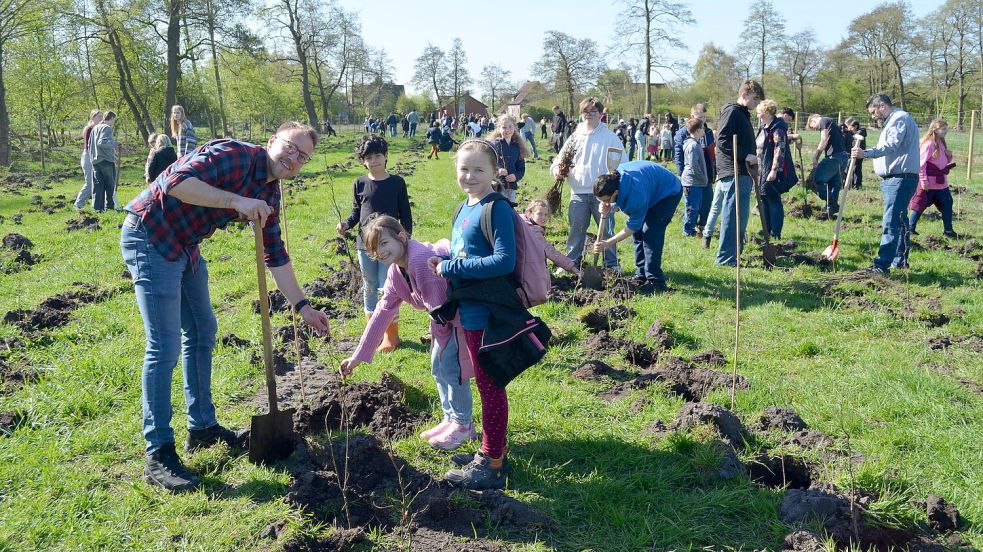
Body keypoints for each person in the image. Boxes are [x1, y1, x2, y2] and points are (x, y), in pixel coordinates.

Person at [120, 121, 330, 492]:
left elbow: (276, 255)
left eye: (303, 156)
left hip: (186, 245)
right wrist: (236, 201)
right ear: (271, 141)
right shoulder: (232, 156)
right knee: (164, 346)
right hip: (151, 234)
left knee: (203, 331)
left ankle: (202, 427)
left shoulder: (271, 193)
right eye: (290, 148)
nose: (293, 159)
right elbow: (175, 183)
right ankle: (159, 452)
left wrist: (303, 307)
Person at [339, 216, 476, 450]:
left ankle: (464, 425)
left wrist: (442, 345)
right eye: (374, 248)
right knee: (438, 366)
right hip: (443, 318)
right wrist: (358, 356)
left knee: (452, 368)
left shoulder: (421, 262)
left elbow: (443, 307)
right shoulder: (395, 271)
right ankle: (450, 418)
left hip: (458, 319)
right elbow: (383, 311)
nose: (380, 252)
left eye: (384, 244)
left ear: (401, 236)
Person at [431, 139, 518, 490]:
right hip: (467, 311)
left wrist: (455, 266)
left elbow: (504, 260)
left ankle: (492, 462)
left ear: (494, 172)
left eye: (479, 170)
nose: (470, 176)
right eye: (464, 169)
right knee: (484, 382)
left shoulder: (495, 207)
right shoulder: (463, 207)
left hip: (487, 313)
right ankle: (491, 447)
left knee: (489, 385)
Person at [337, 135, 412, 352]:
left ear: (386, 156)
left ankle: (391, 336)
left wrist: (405, 238)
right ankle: (373, 332)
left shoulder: (397, 183)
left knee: (387, 287)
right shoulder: (359, 183)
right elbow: (356, 212)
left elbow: (405, 214)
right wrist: (346, 224)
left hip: (390, 247)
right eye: (369, 157)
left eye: (378, 155)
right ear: (363, 160)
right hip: (365, 244)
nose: (374, 160)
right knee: (369, 285)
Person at [550, 97, 626, 272]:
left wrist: (613, 189)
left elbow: (623, 165)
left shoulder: (610, 138)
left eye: (594, 111)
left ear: (600, 114)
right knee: (576, 229)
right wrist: (558, 172)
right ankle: (571, 263)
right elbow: (558, 161)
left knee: (606, 230)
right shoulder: (575, 137)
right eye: (586, 111)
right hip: (578, 192)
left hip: (603, 195)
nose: (589, 115)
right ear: (581, 113)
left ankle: (611, 264)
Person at [851, 93, 920, 273]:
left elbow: (891, 146)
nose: (873, 116)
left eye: (874, 112)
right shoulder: (893, 120)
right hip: (897, 179)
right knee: (900, 220)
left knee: (891, 221)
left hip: (900, 178)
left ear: (882, 105)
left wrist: (865, 153)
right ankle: (900, 260)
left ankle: (882, 265)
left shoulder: (899, 119)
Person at [592, 160, 683, 293]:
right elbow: (622, 208)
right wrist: (608, 206)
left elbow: (633, 226)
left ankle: (655, 281)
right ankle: (641, 274)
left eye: (606, 200)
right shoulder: (609, 179)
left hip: (668, 192)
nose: (603, 202)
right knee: (638, 234)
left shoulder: (635, 194)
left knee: (651, 234)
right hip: (650, 187)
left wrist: (608, 242)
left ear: (616, 192)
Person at [713, 80, 763, 266]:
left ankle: (733, 255)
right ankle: (726, 259)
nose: (757, 103)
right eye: (755, 99)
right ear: (744, 94)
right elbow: (723, 141)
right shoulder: (732, 111)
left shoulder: (742, 113)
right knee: (734, 216)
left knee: (739, 216)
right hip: (734, 171)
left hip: (742, 171)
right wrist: (745, 156)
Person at [908, 118, 957, 238]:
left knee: (947, 204)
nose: (946, 131)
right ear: (935, 129)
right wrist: (923, 181)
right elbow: (921, 164)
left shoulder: (941, 142)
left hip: (941, 183)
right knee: (920, 205)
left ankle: (948, 231)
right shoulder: (929, 144)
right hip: (929, 183)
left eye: (946, 129)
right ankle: (910, 229)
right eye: (943, 129)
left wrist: (949, 156)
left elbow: (943, 161)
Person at [674, 103, 716, 242]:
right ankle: (689, 228)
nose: (703, 120)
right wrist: (681, 171)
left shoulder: (708, 132)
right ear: (692, 116)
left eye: (704, 117)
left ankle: (702, 225)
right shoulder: (683, 133)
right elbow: (679, 153)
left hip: (706, 171)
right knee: (693, 203)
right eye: (700, 117)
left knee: (707, 200)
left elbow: (712, 152)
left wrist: (713, 171)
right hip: (693, 173)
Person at [755, 99, 793, 239]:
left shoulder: (777, 129)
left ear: (767, 112)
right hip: (761, 168)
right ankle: (767, 228)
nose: (758, 116)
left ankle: (776, 232)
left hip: (771, 169)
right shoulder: (763, 127)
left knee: (773, 199)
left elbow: (779, 150)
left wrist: (774, 170)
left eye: (760, 113)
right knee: (763, 198)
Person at [522, 199, 581, 276]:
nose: (543, 217)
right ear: (530, 213)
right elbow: (551, 253)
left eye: (546, 214)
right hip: (527, 269)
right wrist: (574, 269)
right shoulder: (534, 231)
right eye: (539, 214)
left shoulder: (522, 221)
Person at [807, 113, 848, 218]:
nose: (817, 130)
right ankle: (830, 211)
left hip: (833, 157)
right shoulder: (831, 122)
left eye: (814, 128)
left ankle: (833, 204)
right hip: (843, 156)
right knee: (833, 184)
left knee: (813, 181)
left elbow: (824, 139)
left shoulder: (823, 121)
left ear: (813, 121)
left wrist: (816, 156)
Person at [488, 115, 530, 203]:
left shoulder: (517, 147)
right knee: (498, 208)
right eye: (504, 127)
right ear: (499, 128)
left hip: (511, 187)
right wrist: (498, 171)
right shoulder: (494, 145)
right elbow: (487, 164)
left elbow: (521, 168)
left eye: (510, 127)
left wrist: (515, 176)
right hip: (496, 186)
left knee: (510, 208)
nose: (507, 130)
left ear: (514, 128)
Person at [680, 118, 710, 237]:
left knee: (695, 206)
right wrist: (703, 177)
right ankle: (688, 231)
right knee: (692, 207)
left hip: (697, 182)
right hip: (692, 181)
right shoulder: (692, 145)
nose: (704, 130)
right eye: (702, 128)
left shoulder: (696, 143)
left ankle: (690, 229)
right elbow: (694, 165)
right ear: (697, 130)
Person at [88, 110, 119, 213]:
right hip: (105, 160)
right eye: (114, 120)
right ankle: (110, 207)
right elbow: (102, 143)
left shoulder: (95, 128)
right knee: (110, 185)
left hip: (95, 161)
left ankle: (98, 208)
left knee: (98, 185)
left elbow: (90, 145)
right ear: (111, 118)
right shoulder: (107, 128)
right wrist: (115, 143)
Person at [74, 109, 104, 210]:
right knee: (89, 183)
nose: (101, 118)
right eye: (99, 116)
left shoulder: (99, 128)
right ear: (93, 117)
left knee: (97, 182)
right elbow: (89, 146)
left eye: (102, 116)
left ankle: (95, 205)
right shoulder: (89, 129)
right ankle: (78, 204)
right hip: (88, 156)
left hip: (96, 155)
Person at [844, 117, 866, 189]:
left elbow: (857, 136)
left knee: (857, 169)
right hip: (854, 152)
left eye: (850, 127)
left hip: (859, 152)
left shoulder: (860, 132)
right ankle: (852, 184)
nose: (849, 129)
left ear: (855, 126)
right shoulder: (854, 132)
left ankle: (857, 185)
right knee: (852, 168)